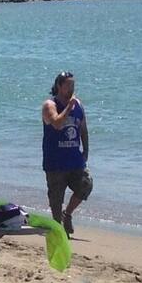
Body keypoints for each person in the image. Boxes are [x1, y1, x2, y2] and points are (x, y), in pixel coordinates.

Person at [40, 72, 91, 235]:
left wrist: (86, 150)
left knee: (86, 185)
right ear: (59, 86)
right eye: (68, 85)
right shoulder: (50, 105)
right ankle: (59, 233)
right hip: (55, 163)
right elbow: (56, 123)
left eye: (73, 85)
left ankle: (67, 214)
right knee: (56, 203)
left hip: (74, 160)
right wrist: (69, 107)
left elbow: (83, 129)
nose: (71, 89)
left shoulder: (79, 106)